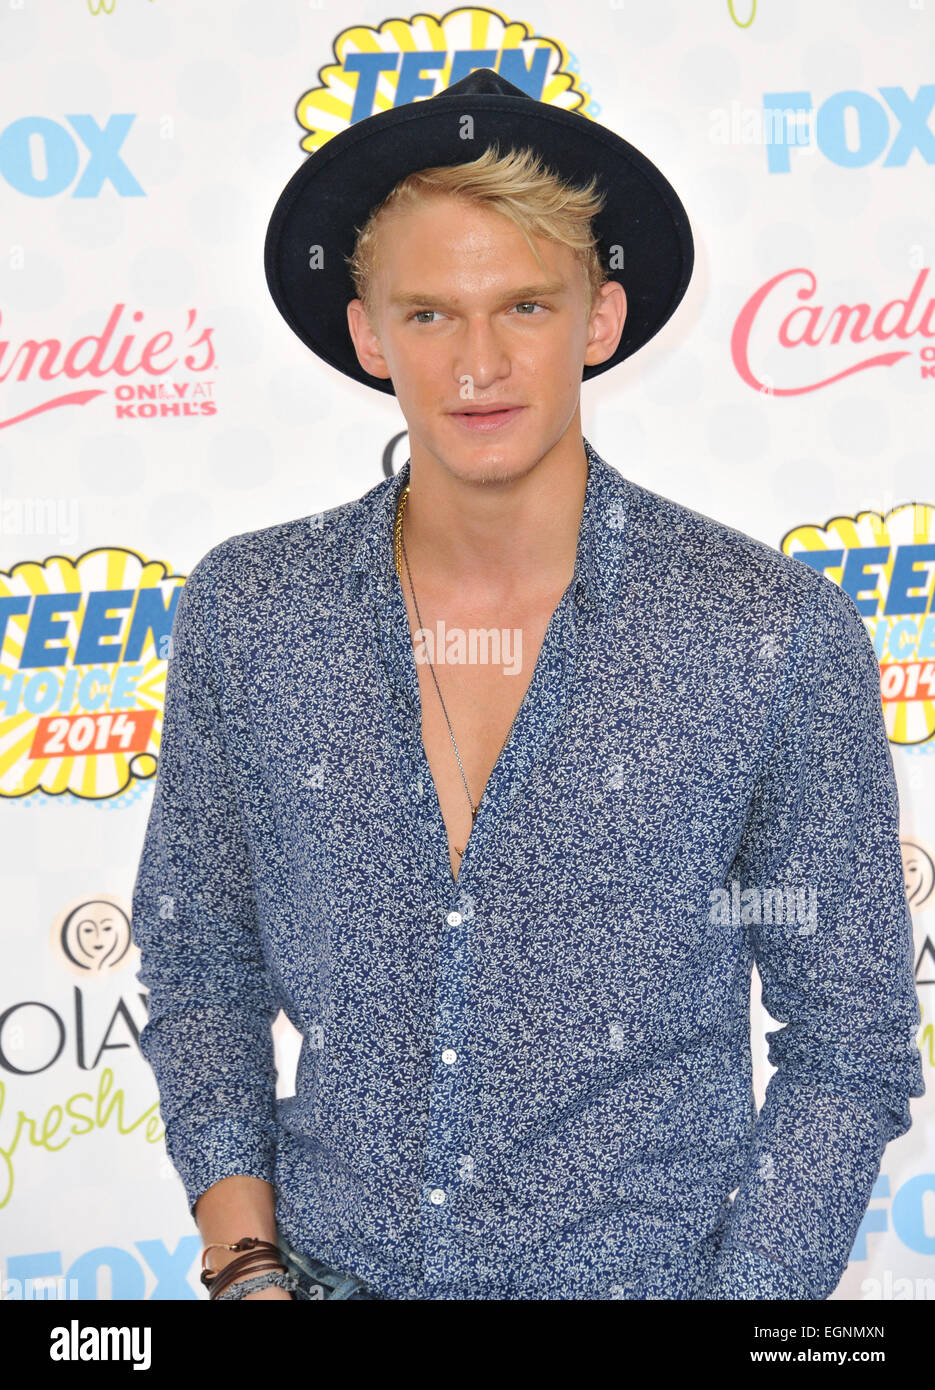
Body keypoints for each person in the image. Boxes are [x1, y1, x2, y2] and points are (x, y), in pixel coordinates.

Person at [131, 69, 925, 1301]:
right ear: (366, 333)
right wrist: (244, 1269)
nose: (479, 363)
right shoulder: (254, 613)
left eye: (523, 306)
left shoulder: (763, 634)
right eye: (431, 314)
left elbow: (848, 1037)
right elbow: (199, 963)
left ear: (598, 321)